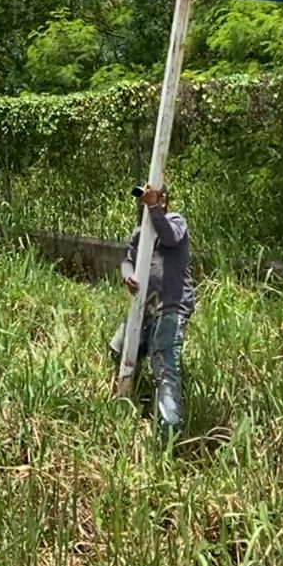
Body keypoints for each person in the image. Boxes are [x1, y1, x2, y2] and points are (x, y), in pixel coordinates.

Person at [111, 183, 194, 441]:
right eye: (142, 197)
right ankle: (132, 393)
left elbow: (168, 237)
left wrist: (154, 207)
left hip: (171, 306)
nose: (144, 200)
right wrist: (128, 276)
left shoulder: (174, 221)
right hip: (145, 310)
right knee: (120, 348)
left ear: (164, 199)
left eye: (150, 195)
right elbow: (128, 260)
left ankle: (169, 430)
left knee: (163, 357)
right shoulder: (140, 234)